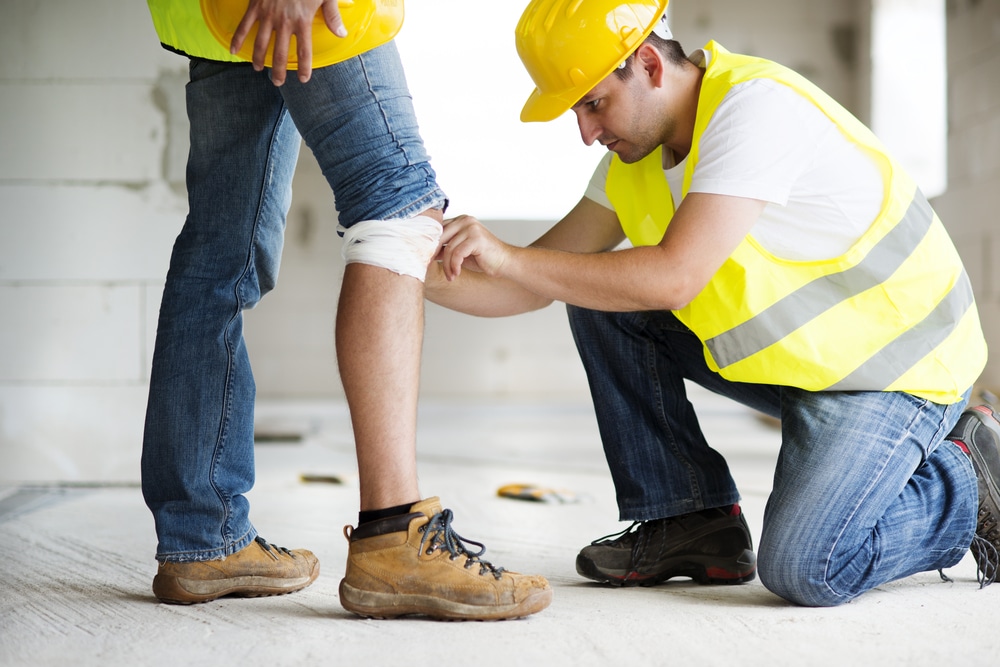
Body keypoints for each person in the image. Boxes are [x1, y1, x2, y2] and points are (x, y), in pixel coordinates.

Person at [426, 0, 1000, 606]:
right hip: (809, 367)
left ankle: (969, 474)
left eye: (593, 104)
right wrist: (399, 268)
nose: (586, 132)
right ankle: (690, 519)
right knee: (591, 287)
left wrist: (509, 254)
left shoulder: (755, 109)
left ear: (648, 64)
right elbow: (530, 284)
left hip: (896, 370)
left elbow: (674, 277)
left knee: (807, 567)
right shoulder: (634, 158)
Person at [139, 0, 552, 620]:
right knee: (397, 210)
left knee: (222, 246)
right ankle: (393, 537)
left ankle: (203, 538)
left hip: (212, 15)